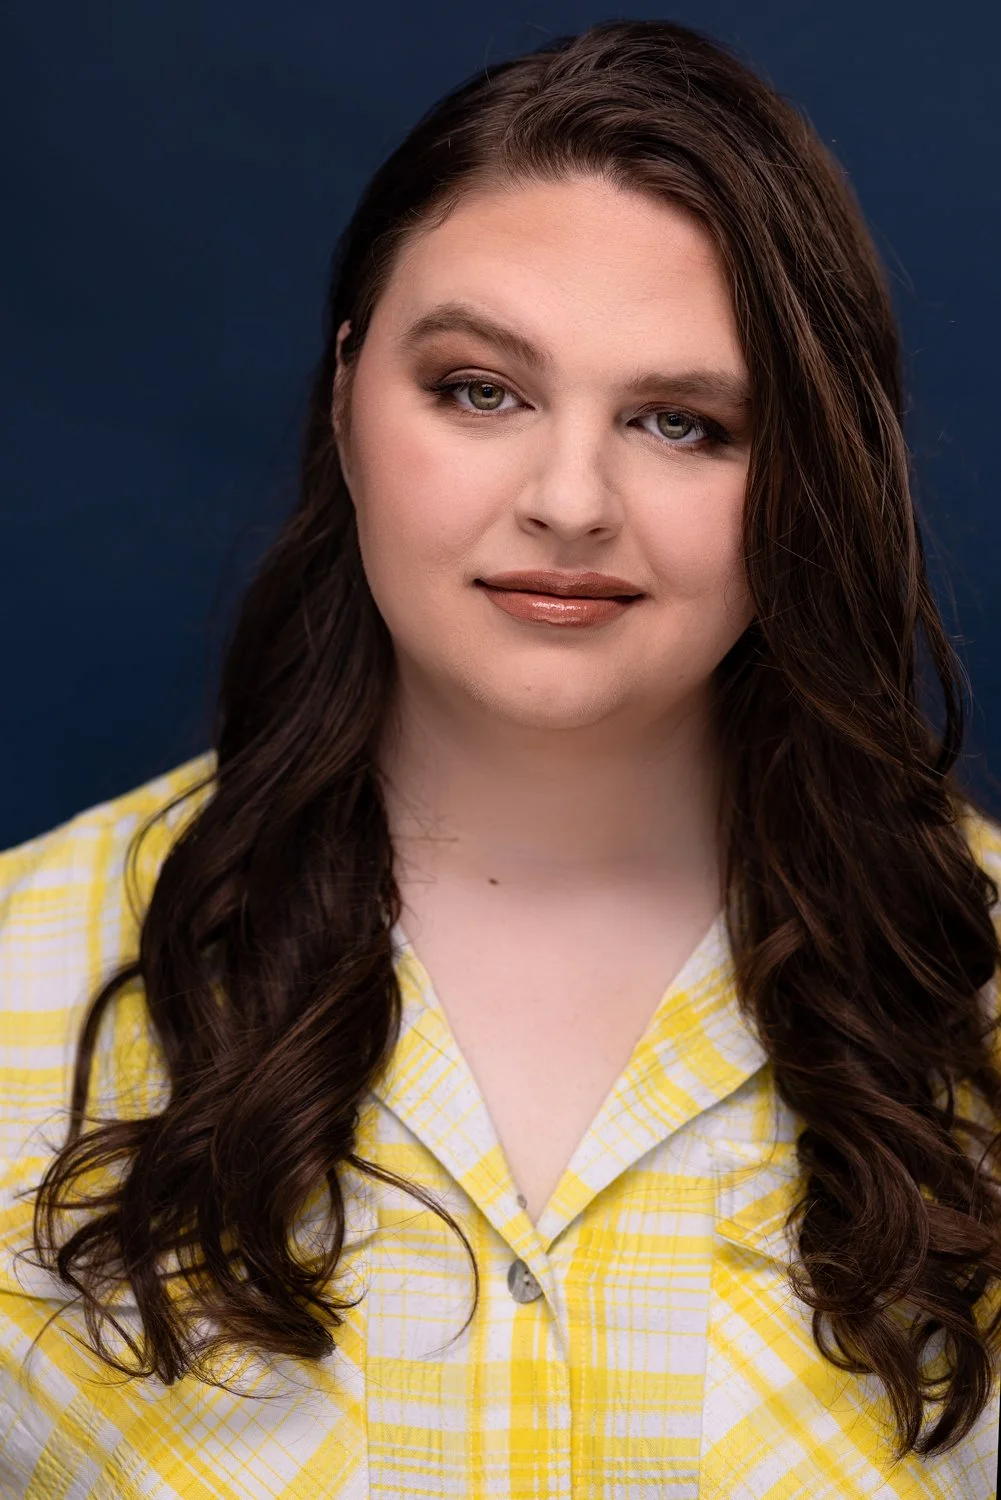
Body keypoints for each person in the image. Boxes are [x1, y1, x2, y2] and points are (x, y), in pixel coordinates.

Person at [1, 17, 999, 1497]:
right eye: (482, 389)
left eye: (685, 421)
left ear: (807, 471)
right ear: (348, 397)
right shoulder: (19, 976)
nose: (572, 498)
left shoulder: (970, 971)